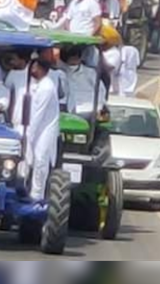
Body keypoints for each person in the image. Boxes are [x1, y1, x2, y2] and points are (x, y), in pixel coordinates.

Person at [21, 57, 61, 200]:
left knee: (40, 159)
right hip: (36, 129)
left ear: (42, 69)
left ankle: (37, 194)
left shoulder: (46, 87)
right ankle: (24, 188)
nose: (32, 70)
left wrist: (29, 134)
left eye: (34, 67)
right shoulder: (38, 85)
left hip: (44, 130)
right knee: (28, 159)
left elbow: (38, 113)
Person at [62, 44, 105, 116]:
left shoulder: (90, 72)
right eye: (71, 58)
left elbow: (101, 90)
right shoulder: (62, 72)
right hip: (72, 110)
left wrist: (101, 105)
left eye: (75, 58)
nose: (73, 61)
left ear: (80, 58)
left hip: (92, 108)